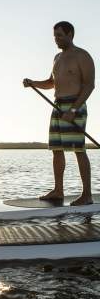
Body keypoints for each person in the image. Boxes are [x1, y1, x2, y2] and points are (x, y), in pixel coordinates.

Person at [23, 21, 95, 206]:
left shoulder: (82, 56)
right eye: (55, 36)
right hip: (57, 106)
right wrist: (34, 83)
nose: (56, 39)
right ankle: (58, 190)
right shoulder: (57, 58)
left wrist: (74, 109)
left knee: (79, 150)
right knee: (56, 149)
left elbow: (89, 85)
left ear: (70, 34)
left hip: (74, 106)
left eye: (60, 36)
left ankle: (87, 194)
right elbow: (51, 82)